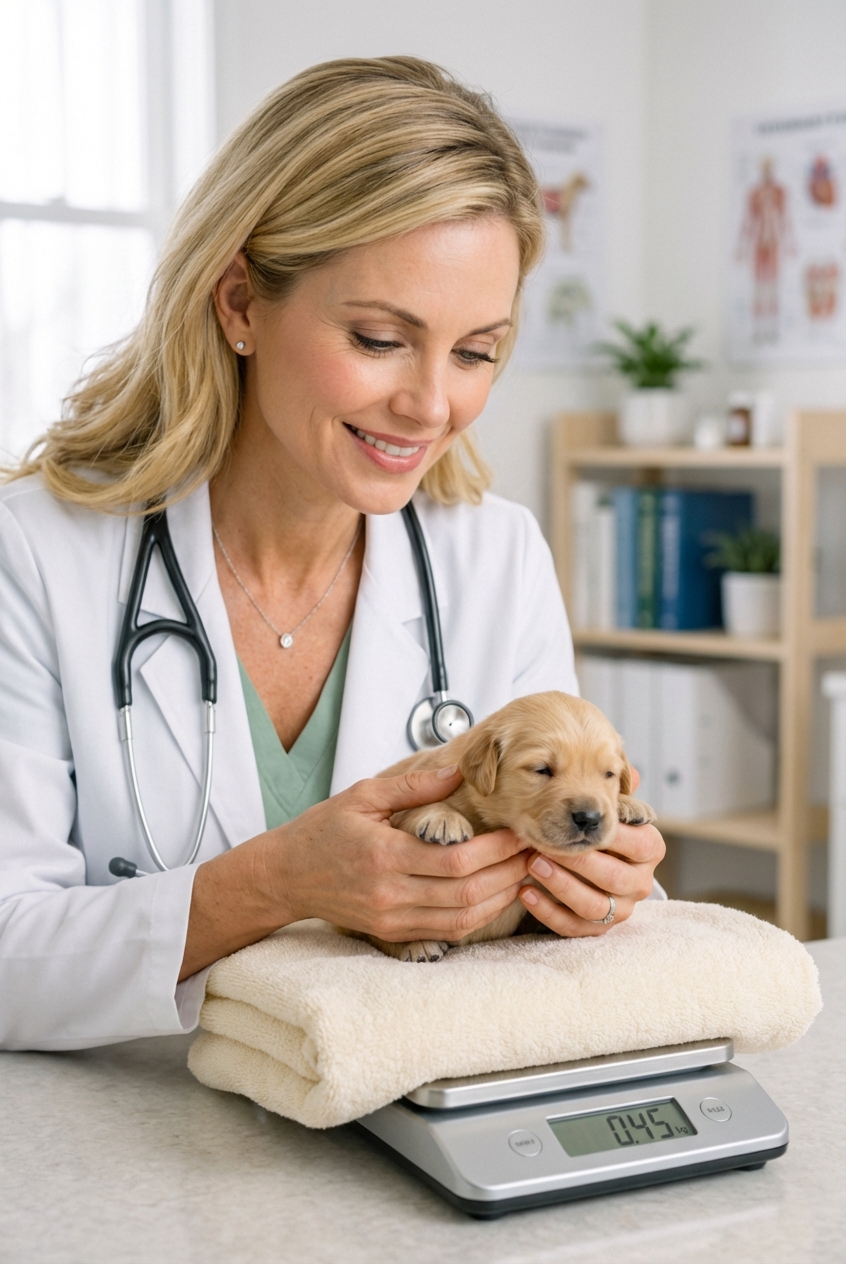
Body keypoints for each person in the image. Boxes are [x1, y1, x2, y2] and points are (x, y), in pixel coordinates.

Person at [0, 57, 665, 1051]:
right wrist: (278, 882)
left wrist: (599, 893)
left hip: (412, 1109)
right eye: (378, 338)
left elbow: (549, 903)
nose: (430, 405)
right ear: (239, 303)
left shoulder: (495, 558)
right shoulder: (35, 554)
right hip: (131, 1126)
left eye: (475, 352)